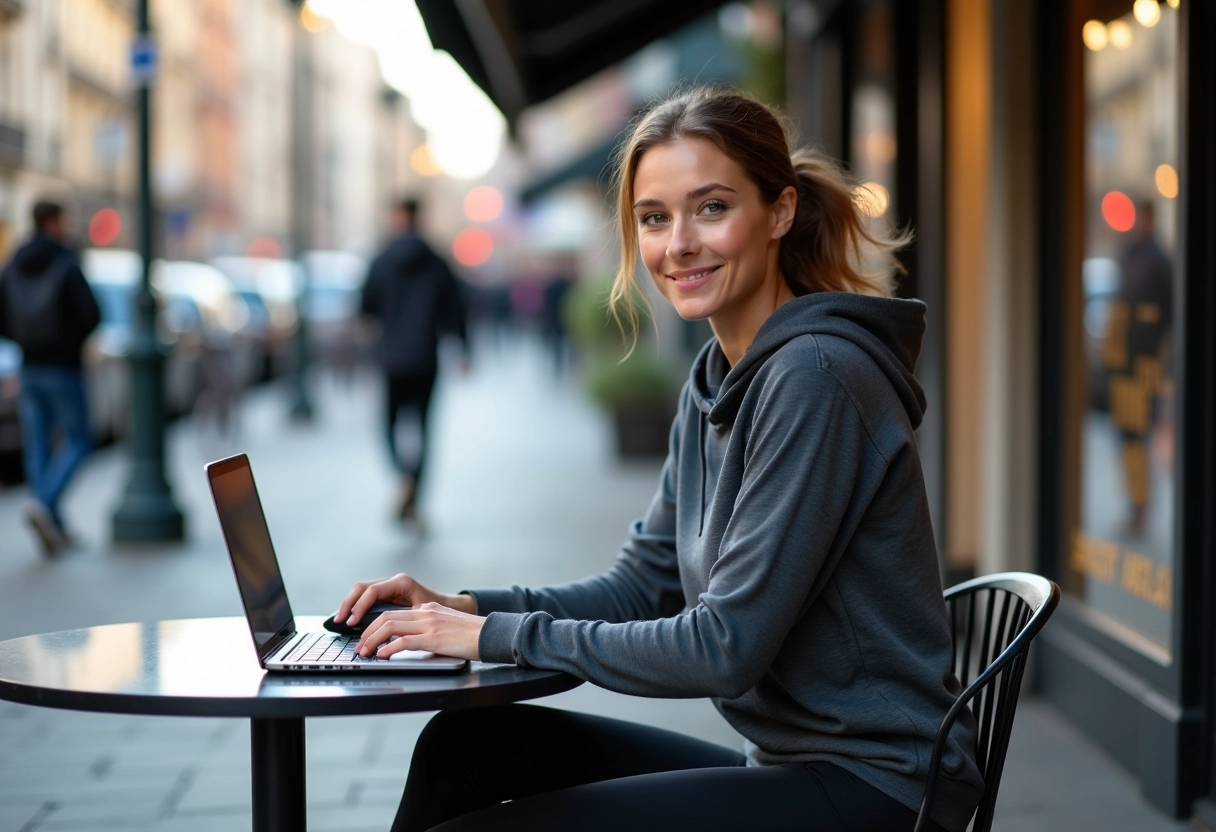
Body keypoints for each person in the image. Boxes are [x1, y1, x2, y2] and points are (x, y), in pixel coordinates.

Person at [335, 87, 983, 832]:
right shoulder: (717, 379)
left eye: (711, 208)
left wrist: (494, 639)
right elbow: (643, 586)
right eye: (654, 217)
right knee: (469, 746)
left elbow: (723, 648)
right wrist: (466, 608)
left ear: (780, 211)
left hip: (881, 789)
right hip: (790, 762)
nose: (678, 243)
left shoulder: (816, 379)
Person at [0, 200, 100, 555]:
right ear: (55, 221)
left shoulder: (13, 263)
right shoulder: (65, 261)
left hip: (28, 366)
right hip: (64, 366)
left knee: (39, 443)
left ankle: (51, 523)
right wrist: (67, 342)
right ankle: (44, 504)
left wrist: (26, 342)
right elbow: (91, 313)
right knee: (79, 438)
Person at [360, 198, 468, 525]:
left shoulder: (380, 261)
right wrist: (463, 349)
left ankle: (403, 477)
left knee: (388, 427)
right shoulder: (436, 261)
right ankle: (415, 495)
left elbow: (366, 311)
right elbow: (455, 309)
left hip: (391, 359)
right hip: (425, 358)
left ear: (396, 217)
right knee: (423, 429)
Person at [1106, 201, 1173, 535]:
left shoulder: (1158, 260)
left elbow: (1168, 317)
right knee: (1127, 437)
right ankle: (1135, 503)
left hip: (1145, 369)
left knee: (1140, 437)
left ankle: (1142, 506)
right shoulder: (1131, 253)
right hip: (1126, 367)